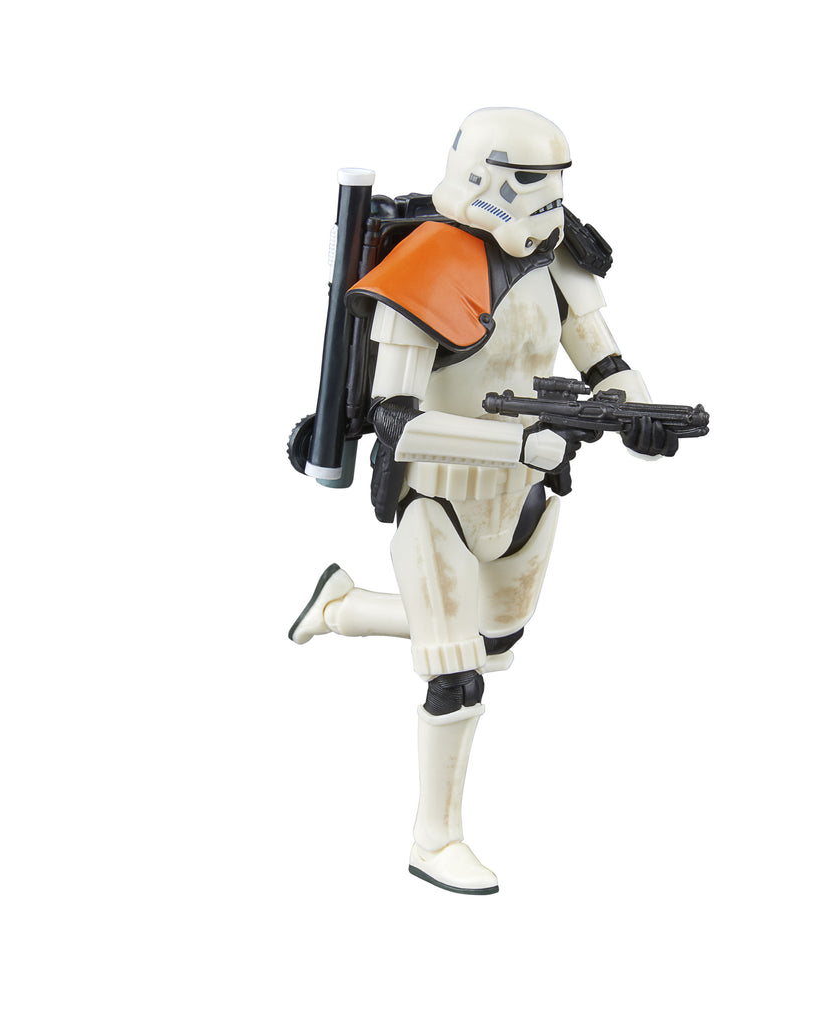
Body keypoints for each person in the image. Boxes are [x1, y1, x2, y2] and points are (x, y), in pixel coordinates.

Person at [290, 108, 677, 894]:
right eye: (530, 182)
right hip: (441, 497)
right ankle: (435, 840)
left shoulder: (559, 259)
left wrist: (640, 415)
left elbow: (606, 363)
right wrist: (515, 446)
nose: (546, 202)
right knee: (456, 676)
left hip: (527, 498)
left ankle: (342, 608)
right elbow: (398, 422)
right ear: (482, 176)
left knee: (495, 642)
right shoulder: (425, 265)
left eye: (554, 184)